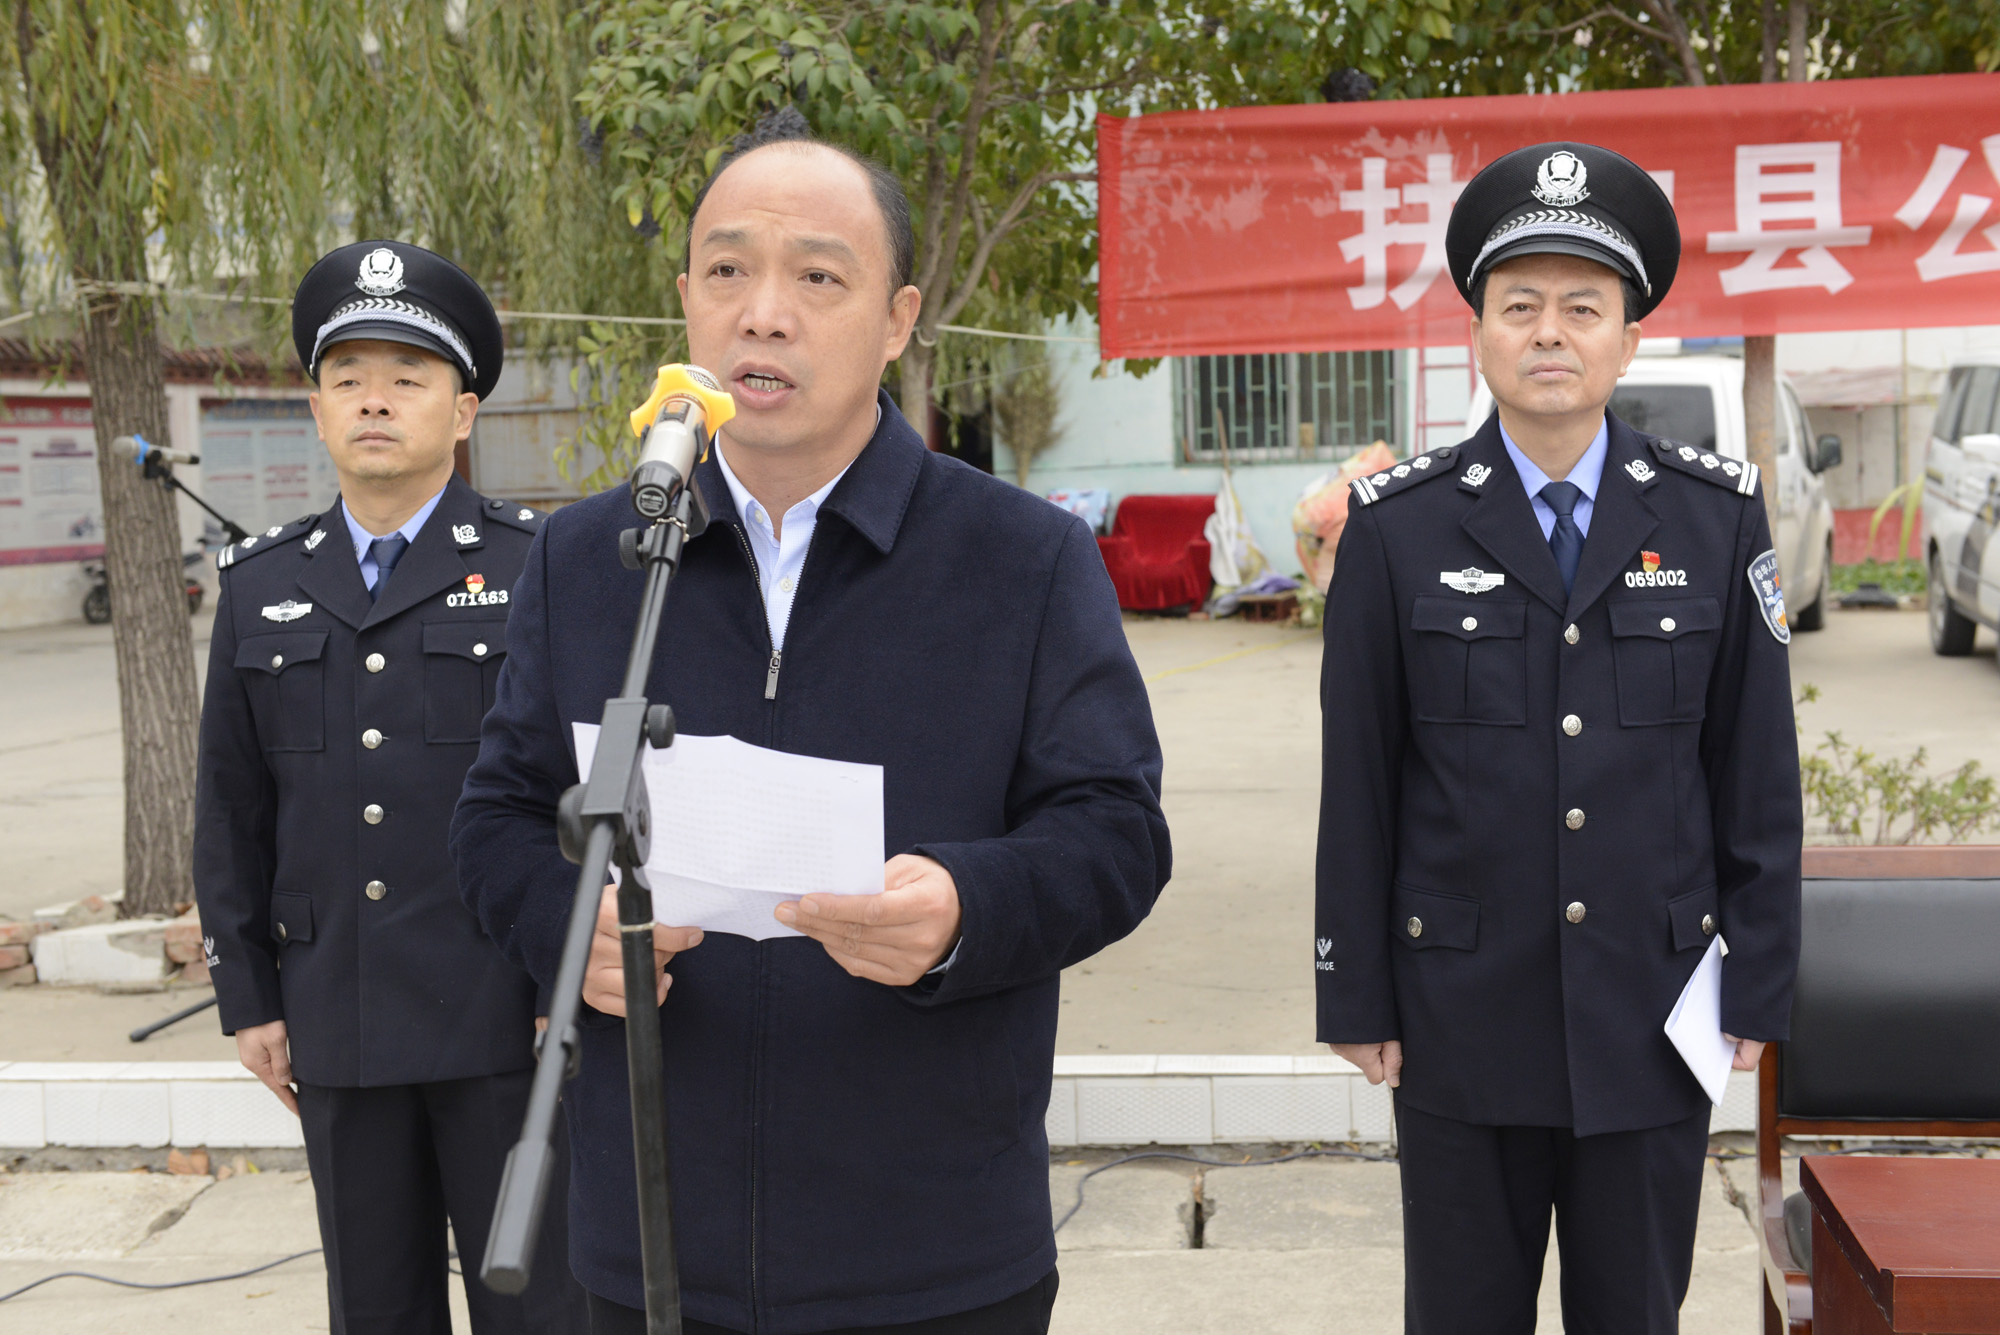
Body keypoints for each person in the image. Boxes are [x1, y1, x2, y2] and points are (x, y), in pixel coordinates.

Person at [450, 114, 1171, 1335]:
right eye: (727, 271)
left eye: (818, 278)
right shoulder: (587, 559)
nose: (764, 314)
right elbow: (498, 819)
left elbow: (1114, 833)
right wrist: (567, 928)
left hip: (933, 1246)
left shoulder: (1022, 559)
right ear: (687, 299)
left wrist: (966, 908)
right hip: (649, 1246)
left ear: (897, 319)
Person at [1314, 142, 1802, 1333]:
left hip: (1652, 1010)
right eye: (1518, 305)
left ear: (1627, 340)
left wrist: (1757, 979)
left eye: (1581, 308)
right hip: (1458, 1015)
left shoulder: (1713, 514)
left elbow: (1753, 772)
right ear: (1476, 333)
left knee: (1632, 1314)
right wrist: (1353, 990)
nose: (1548, 333)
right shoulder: (1396, 529)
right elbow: (1360, 779)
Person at [194, 240, 586, 1334]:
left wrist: (567, 975)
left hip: (504, 1012)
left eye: (407, 379)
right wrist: (249, 997)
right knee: (373, 1308)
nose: (375, 401)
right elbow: (230, 807)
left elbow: (581, 791)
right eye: (349, 379)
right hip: (339, 1013)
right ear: (317, 409)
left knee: (539, 1306)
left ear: (462, 413)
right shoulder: (261, 584)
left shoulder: (536, 566)